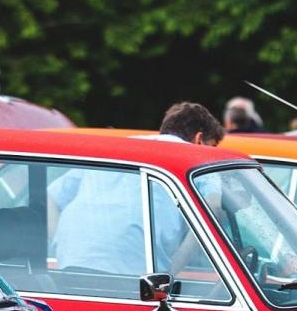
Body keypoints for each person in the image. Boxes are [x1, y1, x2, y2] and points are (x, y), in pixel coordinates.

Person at [50, 102, 223, 276]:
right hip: (134, 271)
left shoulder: (113, 147)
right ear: (199, 139)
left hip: (72, 260)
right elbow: (213, 208)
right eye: (213, 147)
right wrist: (172, 270)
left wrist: (61, 242)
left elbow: (51, 197)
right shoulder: (196, 155)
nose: (213, 154)